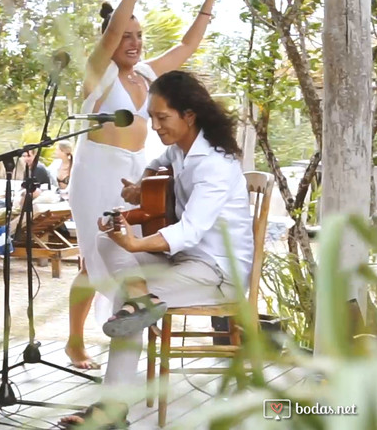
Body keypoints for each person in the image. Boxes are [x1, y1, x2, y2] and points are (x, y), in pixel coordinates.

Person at [59, 70, 253, 428]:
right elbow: (157, 164)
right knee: (105, 239)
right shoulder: (179, 151)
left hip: (216, 272)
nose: (155, 126)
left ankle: (111, 410)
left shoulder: (214, 166)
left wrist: (135, 243)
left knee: (126, 307)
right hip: (181, 261)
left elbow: (190, 231)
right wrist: (140, 185)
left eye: (163, 118)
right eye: (153, 118)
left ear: (189, 116)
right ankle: (139, 297)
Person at [64, 0, 218, 370]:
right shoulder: (99, 75)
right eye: (125, 36)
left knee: (126, 257)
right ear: (110, 41)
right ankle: (76, 342)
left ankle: (126, 338)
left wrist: (209, 2)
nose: (133, 42)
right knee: (95, 259)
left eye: (139, 36)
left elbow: (186, 48)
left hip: (134, 172)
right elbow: (113, 29)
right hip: (96, 172)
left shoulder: (146, 75)